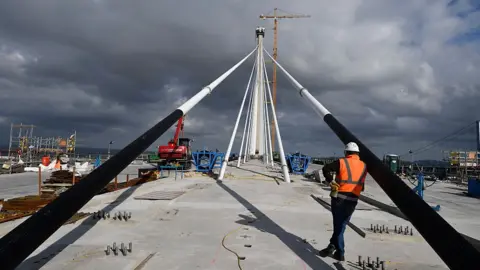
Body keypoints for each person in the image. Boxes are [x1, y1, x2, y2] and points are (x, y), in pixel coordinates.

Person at [319, 142, 367, 261]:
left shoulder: (342, 162)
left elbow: (326, 168)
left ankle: (340, 252)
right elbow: (363, 186)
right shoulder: (364, 166)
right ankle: (332, 245)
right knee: (342, 224)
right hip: (353, 200)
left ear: (346, 152)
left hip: (340, 197)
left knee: (338, 226)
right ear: (357, 153)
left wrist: (330, 181)